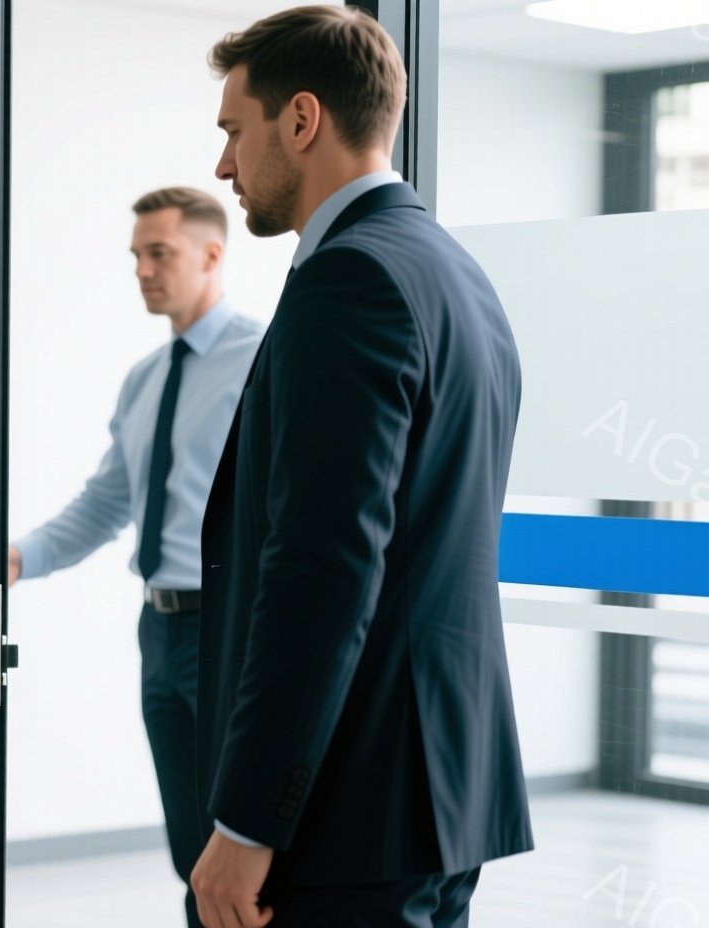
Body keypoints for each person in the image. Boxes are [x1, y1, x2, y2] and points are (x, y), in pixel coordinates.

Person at [188, 8, 534, 928]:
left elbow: (327, 568)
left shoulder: (352, 279)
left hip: (350, 808)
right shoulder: (454, 273)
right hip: (432, 795)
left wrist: (249, 820)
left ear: (301, 121)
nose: (222, 168)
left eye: (233, 130)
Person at [8, 186, 262, 928]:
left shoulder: (265, 360)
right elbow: (109, 499)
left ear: (213, 255)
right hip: (160, 630)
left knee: (240, 852)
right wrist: (21, 556)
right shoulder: (146, 378)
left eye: (161, 254)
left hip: (230, 628)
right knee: (191, 853)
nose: (144, 271)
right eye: (137, 257)